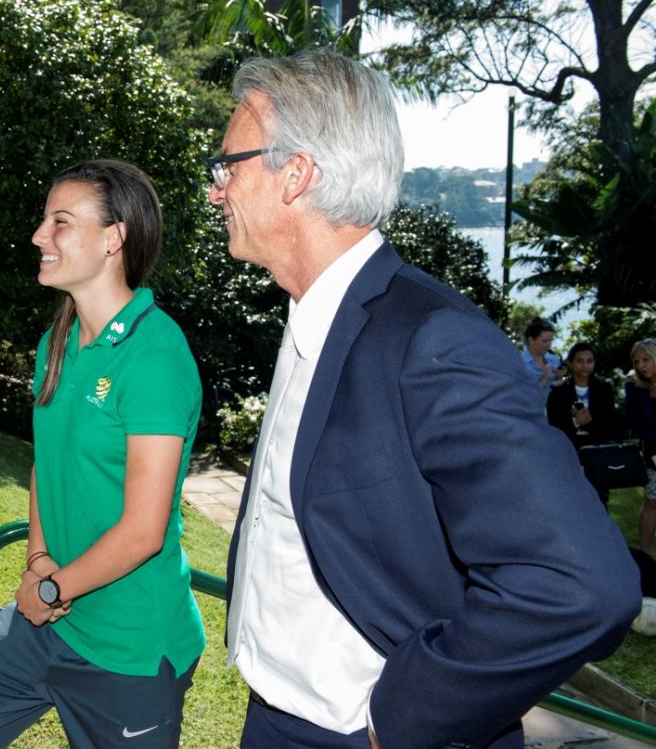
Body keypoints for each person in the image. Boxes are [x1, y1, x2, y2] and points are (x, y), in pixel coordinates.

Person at [210, 49, 639, 749]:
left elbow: (582, 585)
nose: (216, 189)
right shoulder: (314, 315)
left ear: (297, 175)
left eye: (228, 166)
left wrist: (406, 714)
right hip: (279, 716)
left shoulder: (432, 339)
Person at [0, 160, 205, 748]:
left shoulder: (155, 356)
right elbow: (47, 463)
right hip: (50, 616)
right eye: (45, 221)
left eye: (60, 222)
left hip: (129, 648)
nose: (40, 236)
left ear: (115, 238)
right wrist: (39, 561)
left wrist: (49, 591)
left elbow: (143, 531)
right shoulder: (58, 341)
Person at [546, 342, 621, 503]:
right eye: (580, 361)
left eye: (589, 361)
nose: (585, 365)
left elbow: (611, 424)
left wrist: (587, 422)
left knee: (599, 500)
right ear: (571, 363)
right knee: (570, 501)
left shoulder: (604, 389)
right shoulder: (559, 391)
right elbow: (553, 424)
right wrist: (575, 421)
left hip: (597, 451)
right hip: (569, 453)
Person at [625, 339, 656, 554]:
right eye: (637, 362)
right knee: (652, 502)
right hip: (653, 452)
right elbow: (636, 423)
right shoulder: (633, 387)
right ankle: (644, 555)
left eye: (646, 360)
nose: (641, 366)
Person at [521, 317, 563, 391]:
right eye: (544, 341)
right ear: (531, 340)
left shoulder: (555, 360)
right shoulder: (520, 363)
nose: (549, 345)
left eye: (550, 341)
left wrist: (559, 377)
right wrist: (545, 379)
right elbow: (523, 394)